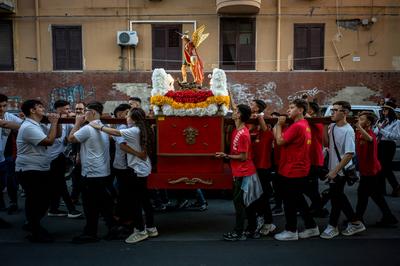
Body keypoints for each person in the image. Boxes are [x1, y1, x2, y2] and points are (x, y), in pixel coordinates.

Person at [89, 107, 158, 244]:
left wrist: (98, 126)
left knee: (135, 202)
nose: (126, 117)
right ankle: (151, 227)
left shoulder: (134, 130)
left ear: (133, 118)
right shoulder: (145, 128)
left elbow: (115, 132)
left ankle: (140, 231)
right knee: (145, 200)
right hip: (144, 168)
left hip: (137, 170)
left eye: (128, 115)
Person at [67, 101, 115, 243]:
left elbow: (71, 139)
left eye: (86, 111)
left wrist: (77, 123)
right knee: (104, 203)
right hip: (102, 171)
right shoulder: (103, 127)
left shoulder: (88, 128)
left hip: (92, 173)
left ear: (93, 112)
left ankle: (91, 233)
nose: (83, 114)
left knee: (90, 205)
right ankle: (112, 228)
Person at [216, 104, 263, 241]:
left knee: (239, 203)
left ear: (240, 115)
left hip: (244, 173)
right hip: (240, 172)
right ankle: (251, 229)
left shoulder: (243, 134)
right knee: (245, 203)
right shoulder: (237, 131)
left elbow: (243, 157)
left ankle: (239, 232)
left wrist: (226, 156)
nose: (233, 112)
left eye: (236, 111)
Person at [273, 99, 318, 241]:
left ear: (300, 110)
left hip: (293, 170)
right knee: (299, 200)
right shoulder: (304, 124)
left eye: (292, 107)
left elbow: (279, 141)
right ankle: (311, 227)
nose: (288, 110)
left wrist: (279, 124)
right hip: (298, 168)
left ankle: (291, 230)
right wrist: (278, 127)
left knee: (290, 202)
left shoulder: (297, 126)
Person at [16, 99, 60, 242]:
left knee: (44, 199)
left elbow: (56, 135)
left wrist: (57, 122)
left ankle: (32, 224)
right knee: (35, 200)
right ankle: (34, 230)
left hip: (39, 168)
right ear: (32, 111)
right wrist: (53, 123)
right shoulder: (29, 126)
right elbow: (48, 141)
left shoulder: (37, 125)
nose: (43, 108)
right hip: (30, 169)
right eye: (40, 107)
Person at [320, 101, 366, 239]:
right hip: (334, 168)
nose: (332, 112)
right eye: (332, 110)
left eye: (335, 110)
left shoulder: (348, 130)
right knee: (337, 197)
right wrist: (324, 126)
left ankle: (348, 223)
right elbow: (327, 143)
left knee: (337, 196)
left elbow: (349, 154)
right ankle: (345, 224)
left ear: (345, 113)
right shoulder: (333, 126)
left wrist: (335, 171)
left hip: (341, 170)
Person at [353, 112, 398, 228]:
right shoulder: (359, 133)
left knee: (362, 194)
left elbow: (369, 139)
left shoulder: (370, 134)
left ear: (368, 123)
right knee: (375, 195)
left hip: (371, 171)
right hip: (366, 170)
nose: (358, 120)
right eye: (359, 118)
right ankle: (389, 217)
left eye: (361, 119)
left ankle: (358, 219)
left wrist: (358, 127)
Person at [47, 100, 82, 218]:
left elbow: (73, 135)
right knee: (61, 185)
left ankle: (53, 209)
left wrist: (75, 119)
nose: (69, 111)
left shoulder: (67, 122)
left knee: (57, 184)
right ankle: (71, 210)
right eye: (66, 109)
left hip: (61, 157)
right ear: (59, 109)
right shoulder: (50, 120)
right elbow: (55, 136)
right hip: (51, 158)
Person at [249, 99, 276, 236]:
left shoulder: (266, 124)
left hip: (263, 165)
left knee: (263, 195)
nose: (250, 106)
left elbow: (265, 129)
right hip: (253, 165)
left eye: (252, 104)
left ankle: (268, 222)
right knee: (255, 195)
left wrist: (260, 117)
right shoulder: (252, 125)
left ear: (258, 108)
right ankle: (261, 219)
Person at [0, 94, 23, 215]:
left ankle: (13, 202)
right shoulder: (7, 118)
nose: (1, 109)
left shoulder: (9, 116)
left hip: (5, 155)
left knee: (9, 179)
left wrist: (23, 122)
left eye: (4, 106)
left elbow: (23, 124)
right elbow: (4, 124)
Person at [305, 102, 328, 217]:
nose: (304, 110)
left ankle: (319, 207)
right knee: (309, 187)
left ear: (312, 111)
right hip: (307, 159)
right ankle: (317, 206)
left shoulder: (317, 121)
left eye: (306, 109)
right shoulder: (307, 121)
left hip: (314, 159)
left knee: (310, 187)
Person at [374, 101, 400, 197]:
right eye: (383, 109)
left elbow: (395, 136)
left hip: (389, 145)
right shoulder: (380, 121)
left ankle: (396, 186)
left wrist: (381, 129)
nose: (383, 111)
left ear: (391, 111)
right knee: (380, 168)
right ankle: (382, 190)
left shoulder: (396, 122)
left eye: (385, 109)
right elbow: (375, 133)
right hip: (379, 144)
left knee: (386, 167)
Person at [69, 102, 86, 205]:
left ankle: (75, 197)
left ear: (85, 110)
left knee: (78, 176)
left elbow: (80, 140)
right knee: (76, 176)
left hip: (82, 153)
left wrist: (78, 154)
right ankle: (75, 197)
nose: (78, 111)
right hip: (75, 152)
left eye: (80, 109)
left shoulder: (84, 122)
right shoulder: (74, 119)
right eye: (77, 109)